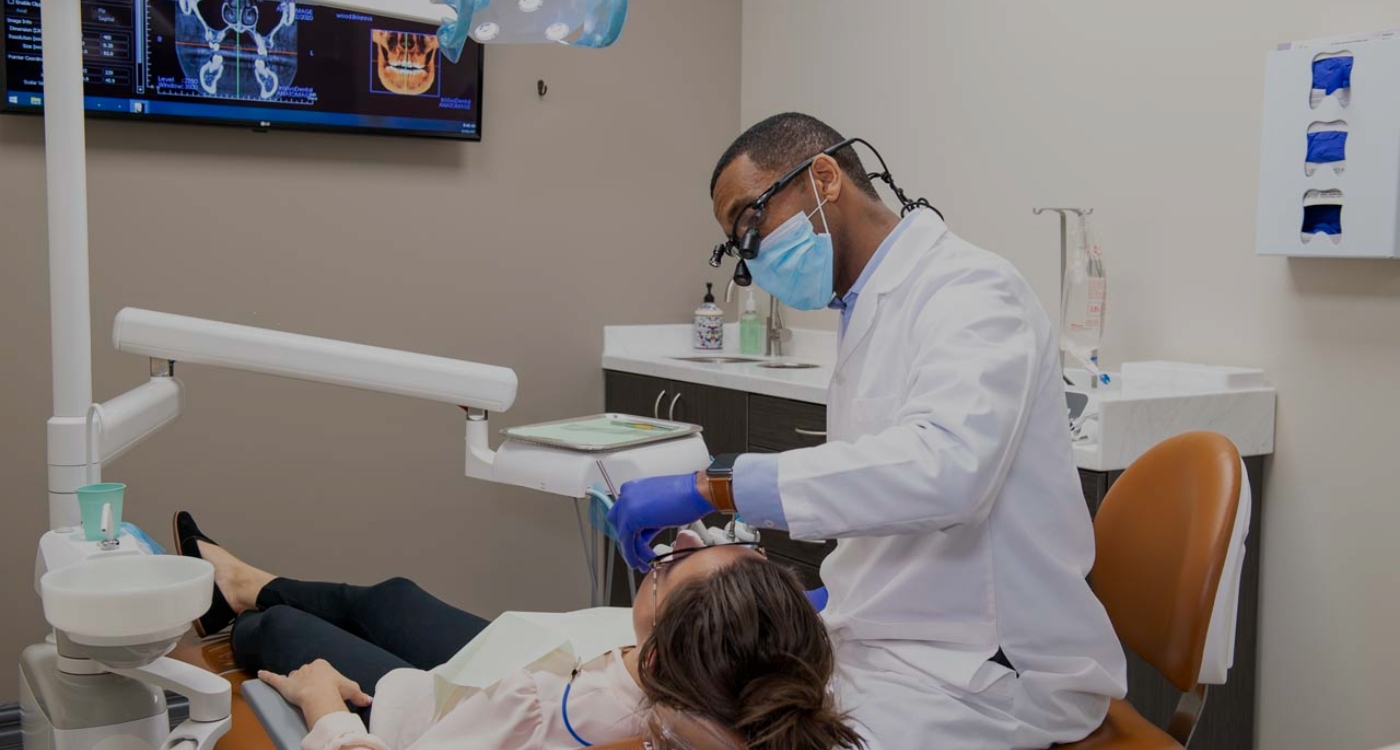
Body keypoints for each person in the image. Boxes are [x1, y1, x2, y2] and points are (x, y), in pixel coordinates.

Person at [607, 113, 1128, 750]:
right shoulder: (868, 306)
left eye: (751, 226)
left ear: (823, 179)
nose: (748, 264)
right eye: (736, 245)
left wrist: (715, 486)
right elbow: (882, 498)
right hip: (903, 641)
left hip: (990, 668)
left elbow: (946, 471)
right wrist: (830, 598)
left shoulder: (971, 289)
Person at [173, 512, 863, 750]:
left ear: (657, 653)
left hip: (445, 710)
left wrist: (324, 710)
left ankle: (242, 610)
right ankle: (238, 580)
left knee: (284, 633)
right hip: (527, 659)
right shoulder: (757, 689)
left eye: (670, 566)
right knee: (392, 598)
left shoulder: (548, 720)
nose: (667, 554)